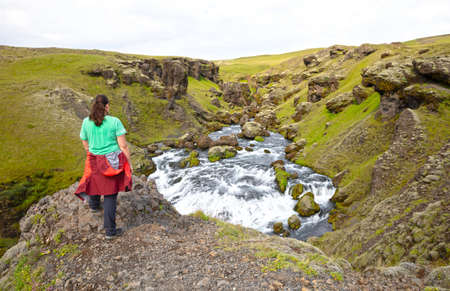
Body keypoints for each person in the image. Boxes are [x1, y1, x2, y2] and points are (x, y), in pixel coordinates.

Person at [74, 94, 133, 239]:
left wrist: (90, 151)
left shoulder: (86, 122)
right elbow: (123, 146)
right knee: (110, 194)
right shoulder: (114, 122)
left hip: (94, 158)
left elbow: (84, 140)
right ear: (106, 106)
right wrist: (129, 164)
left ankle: (94, 205)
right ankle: (110, 231)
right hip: (111, 161)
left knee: (95, 181)